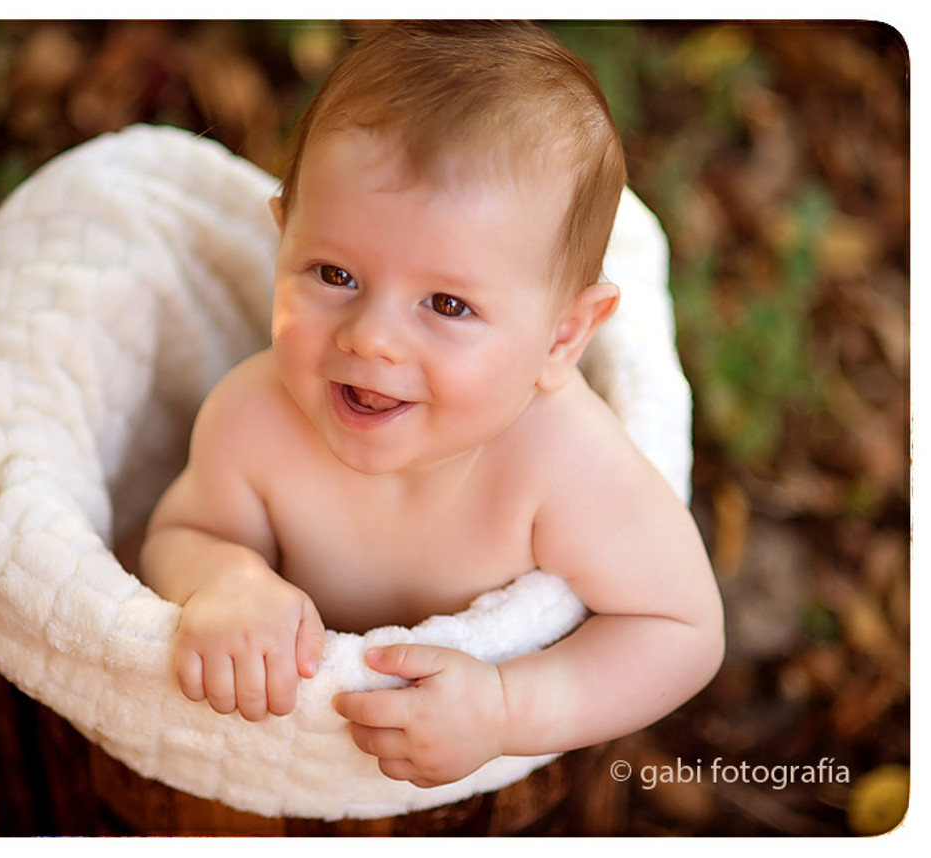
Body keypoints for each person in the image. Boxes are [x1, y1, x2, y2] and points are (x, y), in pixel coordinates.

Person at [139, 20, 724, 789]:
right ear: (283, 237)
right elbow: (183, 530)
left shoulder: (565, 465)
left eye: (447, 304)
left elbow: (681, 629)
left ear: (562, 337)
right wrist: (225, 581)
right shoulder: (255, 416)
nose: (373, 338)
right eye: (334, 274)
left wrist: (510, 707)